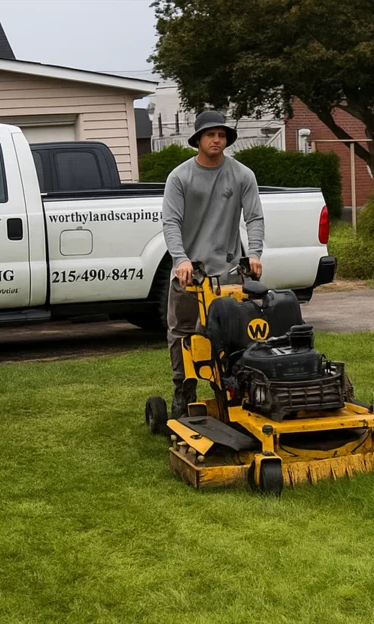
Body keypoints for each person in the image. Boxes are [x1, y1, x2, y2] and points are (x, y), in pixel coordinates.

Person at [162, 110, 265, 419]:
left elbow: (255, 217)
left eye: (221, 135)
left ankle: (236, 390)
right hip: (191, 275)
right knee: (183, 334)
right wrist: (180, 259)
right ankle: (184, 389)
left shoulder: (242, 175)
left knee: (237, 334)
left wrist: (255, 253)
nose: (217, 140)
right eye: (210, 135)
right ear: (198, 140)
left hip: (230, 273)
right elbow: (171, 222)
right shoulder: (180, 177)